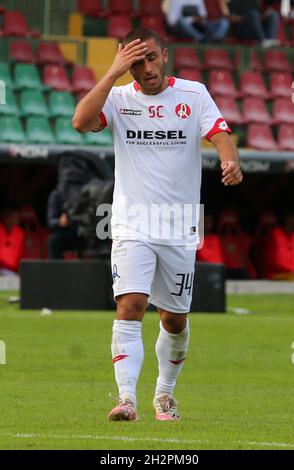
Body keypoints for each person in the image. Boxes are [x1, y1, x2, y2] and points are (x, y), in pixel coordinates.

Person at [73, 28, 242, 421]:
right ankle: (126, 399)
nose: (145, 68)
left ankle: (165, 394)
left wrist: (229, 160)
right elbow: (81, 121)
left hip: (180, 224)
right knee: (131, 305)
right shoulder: (116, 98)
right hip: (132, 221)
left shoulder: (193, 94)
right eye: (135, 61)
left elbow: (220, 134)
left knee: (174, 318)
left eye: (150, 58)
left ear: (164, 55)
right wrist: (112, 73)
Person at [47, 186, 80, 259]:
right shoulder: (57, 194)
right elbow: (50, 221)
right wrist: (60, 221)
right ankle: (57, 269)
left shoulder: (83, 189)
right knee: (53, 241)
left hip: (85, 230)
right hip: (67, 232)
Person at [0, 208, 25, 276]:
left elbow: (21, 257)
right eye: (10, 217)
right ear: (4, 217)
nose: (13, 220)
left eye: (16, 217)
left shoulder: (19, 233)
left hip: (11, 272)